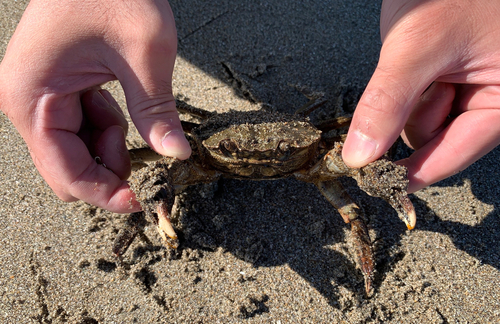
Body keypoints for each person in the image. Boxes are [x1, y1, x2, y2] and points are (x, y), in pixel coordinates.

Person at [1, 0, 499, 214]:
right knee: (150, 168)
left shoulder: (321, 151)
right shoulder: (196, 152)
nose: (258, 159)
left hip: (302, 153)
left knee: (351, 204)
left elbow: (354, 152)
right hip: (210, 151)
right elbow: (144, 164)